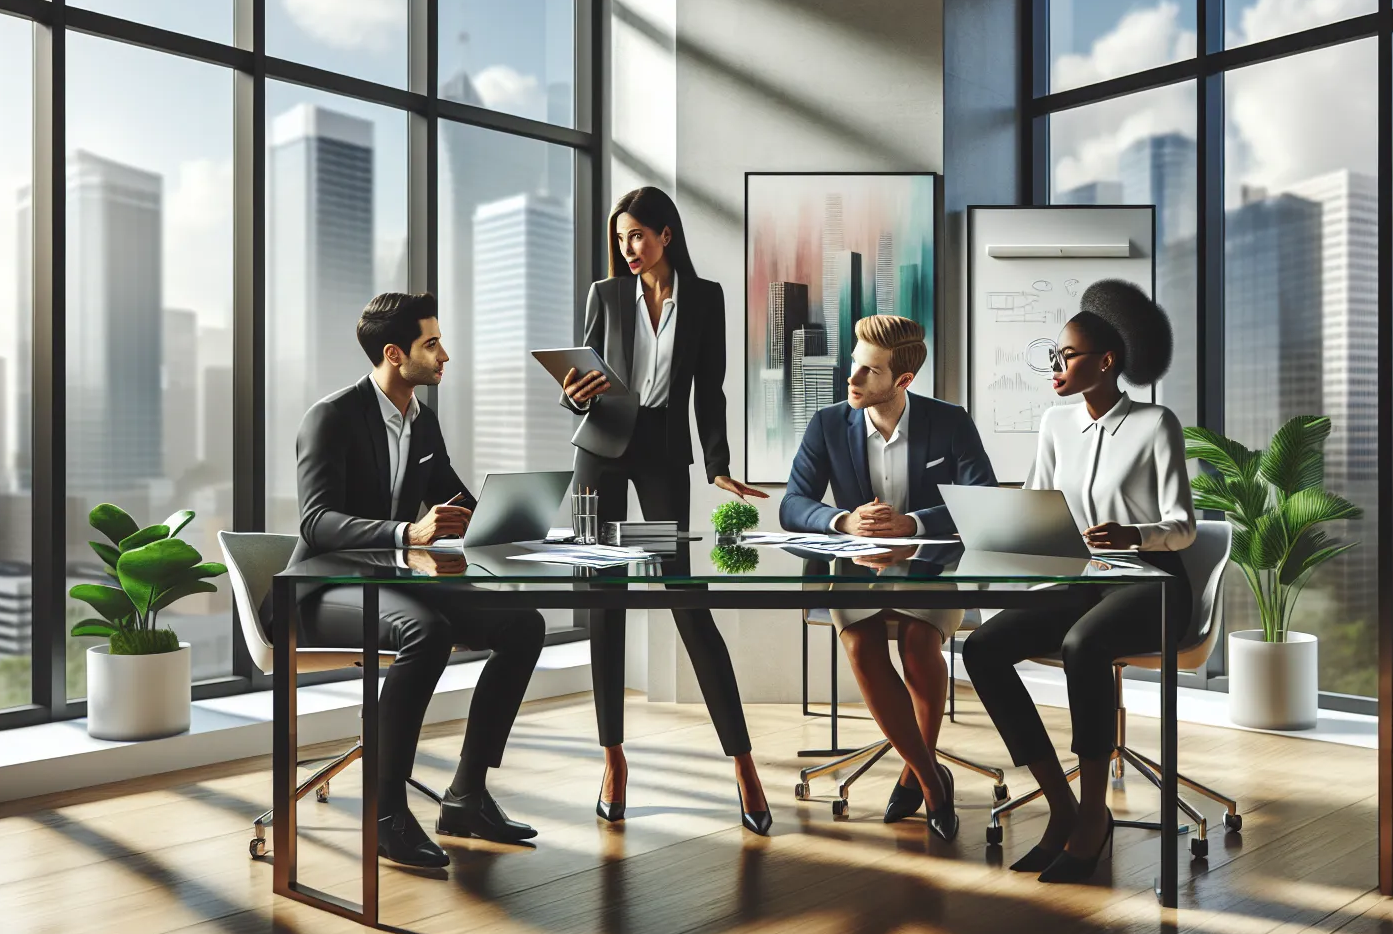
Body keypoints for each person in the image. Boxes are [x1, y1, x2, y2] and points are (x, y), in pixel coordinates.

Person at [280, 291, 547, 868]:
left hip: (388, 585)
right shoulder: (331, 417)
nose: (444, 354)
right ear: (395, 354)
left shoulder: (421, 422)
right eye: (432, 344)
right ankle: (385, 814)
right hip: (319, 589)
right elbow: (316, 521)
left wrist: (512, 524)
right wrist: (407, 533)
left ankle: (466, 797)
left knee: (523, 625)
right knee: (425, 631)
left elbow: (455, 499)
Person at [962, 279, 1196, 883]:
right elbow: (1041, 505)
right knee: (984, 647)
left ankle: (1094, 815)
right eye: (1055, 357)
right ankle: (1060, 806)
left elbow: (1184, 528)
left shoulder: (1154, 423)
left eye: (1066, 356)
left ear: (1106, 361)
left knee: (1082, 645)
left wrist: (1134, 535)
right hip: (1083, 581)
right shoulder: (1055, 423)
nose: (1056, 366)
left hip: (1151, 582)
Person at [559, 186, 774, 834]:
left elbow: (709, 392)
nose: (628, 249)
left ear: (667, 235)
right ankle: (612, 758)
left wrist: (718, 465)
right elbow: (583, 386)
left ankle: (742, 763)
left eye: (638, 236)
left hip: (659, 456)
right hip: (598, 456)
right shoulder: (606, 295)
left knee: (684, 596)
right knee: (604, 599)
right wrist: (573, 395)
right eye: (620, 237)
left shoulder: (705, 299)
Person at [779, 315, 997, 840]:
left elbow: (983, 500)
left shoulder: (950, 422)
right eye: (854, 364)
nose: (851, 380)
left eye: (867, 372)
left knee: (921, 646)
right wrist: (843, 520)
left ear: (902, 380)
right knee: (861, 645)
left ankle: (911, 773)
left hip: (929, 564)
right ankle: (932, 780)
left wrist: (914, 526)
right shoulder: (829, 423)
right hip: (855, 567)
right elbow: (793, 504)